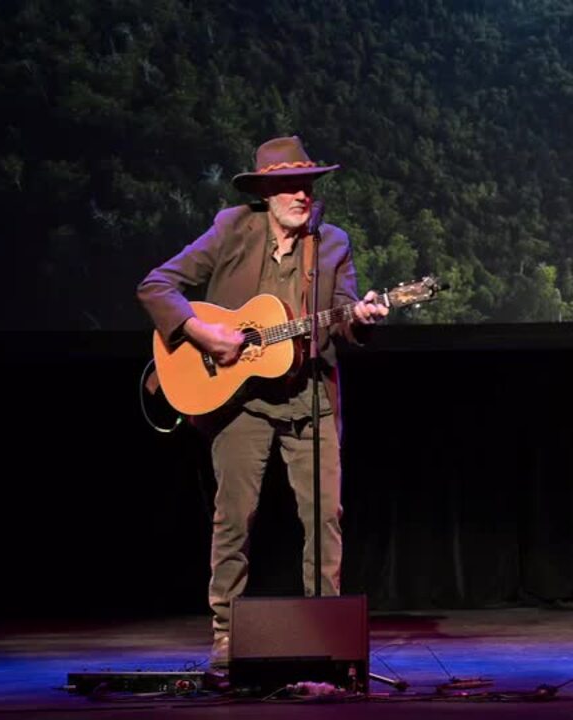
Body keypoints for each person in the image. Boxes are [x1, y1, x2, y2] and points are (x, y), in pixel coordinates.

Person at [137, 135, 388, 669]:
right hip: (241, 401)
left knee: (325, 517)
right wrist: (204, 334)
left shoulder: (333, 243)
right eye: (289, 186)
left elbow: (342, 317)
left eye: (308, 185)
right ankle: (227, 636)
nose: (302, 194)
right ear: (266, 194)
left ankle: (327, 634)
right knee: (234, 519)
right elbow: (157, 285)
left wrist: (360, 319)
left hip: (311, 400)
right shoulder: (233, 229)